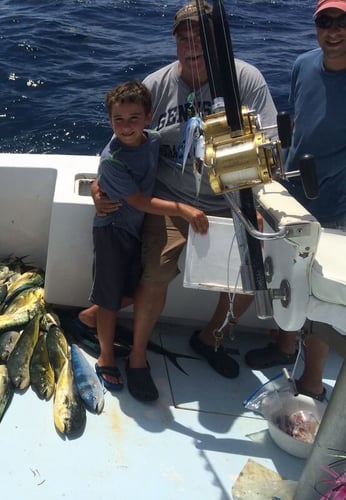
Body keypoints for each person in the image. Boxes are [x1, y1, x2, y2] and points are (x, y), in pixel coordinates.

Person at [77, 1, 278, 400]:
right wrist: (101, 189)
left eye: (200, 36)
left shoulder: (246, 80)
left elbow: (271, 144)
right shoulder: (158, 84)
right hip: (170, 197)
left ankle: (211, 339)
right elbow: (117, 143)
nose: (191, 45)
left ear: (216, 40)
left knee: (252, 273)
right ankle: (136, 357)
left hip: (232, 198)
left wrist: (254, 198)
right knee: (156, 271)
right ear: (174, 41)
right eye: (183, 36)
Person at [244, 0, 346, 401]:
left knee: (321, 287)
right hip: (294, 189)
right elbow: (297, 125)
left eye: (342, 21)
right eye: (325, 21)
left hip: (338, 199)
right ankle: (285, 346)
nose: (334, 30)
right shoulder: (303, 64)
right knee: (287, 270)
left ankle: (311, 379)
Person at [89, 81, 207, 397]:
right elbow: (139, 201)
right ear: (110, 121)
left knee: (131, 287)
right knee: (110, 297)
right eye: (118, 120)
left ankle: (88, 318)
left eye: (134, 118)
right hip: (112, 230)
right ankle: (106, 356)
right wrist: (183, 209)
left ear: (149, 117)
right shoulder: (112, 158)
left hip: (135, 229)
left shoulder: (152, 141)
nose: (126, 127)